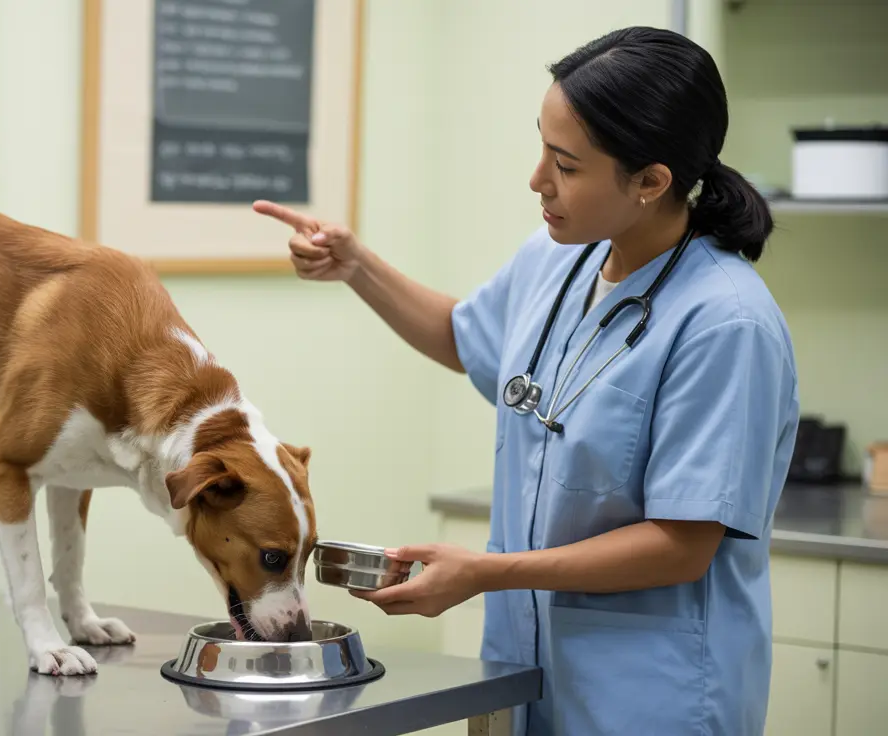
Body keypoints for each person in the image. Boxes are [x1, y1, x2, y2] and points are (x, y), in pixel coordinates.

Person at [253, 26, 799, 736]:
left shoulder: (726, 323)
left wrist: (487, 572)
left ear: (650, 182)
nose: (537, 179)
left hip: (651, 696)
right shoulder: (557, 257)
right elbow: (467, 339)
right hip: (526, 673)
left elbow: (682, 544)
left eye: (566, 165)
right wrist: (356, 266)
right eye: (543, 148)